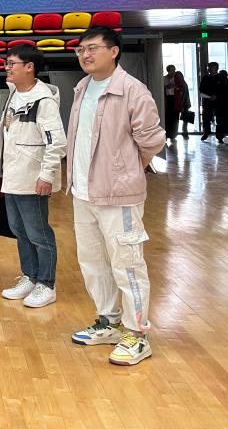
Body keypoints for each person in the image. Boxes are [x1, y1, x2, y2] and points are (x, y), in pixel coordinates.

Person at [66, 26, 165, 366]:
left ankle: (137, 334)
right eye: (81, 49)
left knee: (128, 264)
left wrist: (128, 171)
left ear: (114, 51)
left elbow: (151, 141)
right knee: (92, 262)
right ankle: (108, 321)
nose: (85, 54)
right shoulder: (82, 87)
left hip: (118, 196)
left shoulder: (132, 91)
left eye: (92, 48)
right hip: (83, 192)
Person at [0, 45, 66, 308]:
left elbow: (57, 143)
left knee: (38, 233)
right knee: (19, 230)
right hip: (12, 176)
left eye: (12, 63)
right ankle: (30, 277)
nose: (7, 68)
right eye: (7, 63)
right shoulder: (14, 94)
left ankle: (47, 284)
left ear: (30, 67)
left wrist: (46, 175)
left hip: (33, 179)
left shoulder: (44, 100)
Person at [162, 65, 189, 142]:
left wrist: (175, 87)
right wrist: (166, 87)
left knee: (175, 118)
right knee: (167, 118)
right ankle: (166, 134)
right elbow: (160, 88)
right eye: (171, 70)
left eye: (174, 70)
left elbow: (182, 88)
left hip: (175, 100)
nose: (173, 72)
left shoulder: (177, 78)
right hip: (167, 99)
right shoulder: (164, 78)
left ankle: (173, 135)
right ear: (168, 70)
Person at [199, 62, 220, 141]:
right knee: (206, 118)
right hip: (207, 101)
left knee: (219, 118)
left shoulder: (221, 77)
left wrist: (216, 96)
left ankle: (219, 136)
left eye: (212, 68)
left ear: (216, 69)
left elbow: (224, 89)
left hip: (218, 101)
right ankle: (206, 132)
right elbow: (201, 88)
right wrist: (209, 96)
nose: (210, 69)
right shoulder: (205, 78)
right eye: (209, 68)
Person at [177, 71, 192, 139]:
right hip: (186, 104)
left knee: (181, 120)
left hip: (183, 104)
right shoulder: (184, 83)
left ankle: (183, 133)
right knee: (185, 120)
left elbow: (182, 96)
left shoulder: (181, 84)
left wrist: (181, 105)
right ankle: (185, 133)